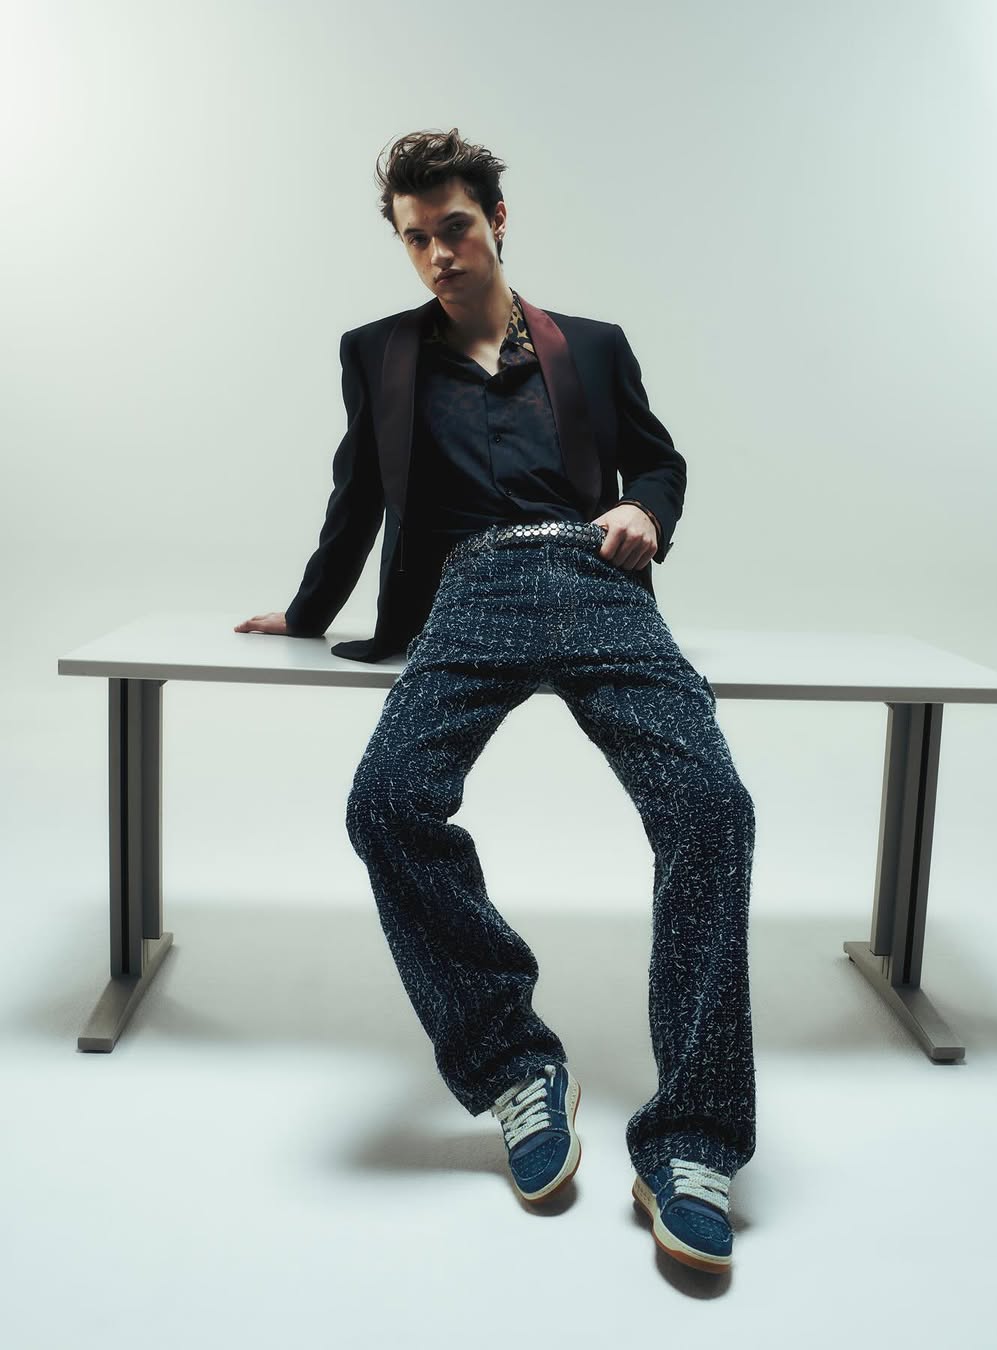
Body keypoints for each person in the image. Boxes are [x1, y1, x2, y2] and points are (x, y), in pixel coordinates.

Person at [235, 128, 756, 1274]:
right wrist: (308, 611)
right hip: (466, 594)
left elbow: (658, 461)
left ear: (498, 221)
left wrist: (646, 510)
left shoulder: (593, 346)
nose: (438, 254)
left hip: (595, 577)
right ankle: (517, 1066)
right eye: (416, 238)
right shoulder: (379, 353)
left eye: (455, 228)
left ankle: (694, 1139)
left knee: (713, 811)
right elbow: (358, 493)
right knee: (386, 805)